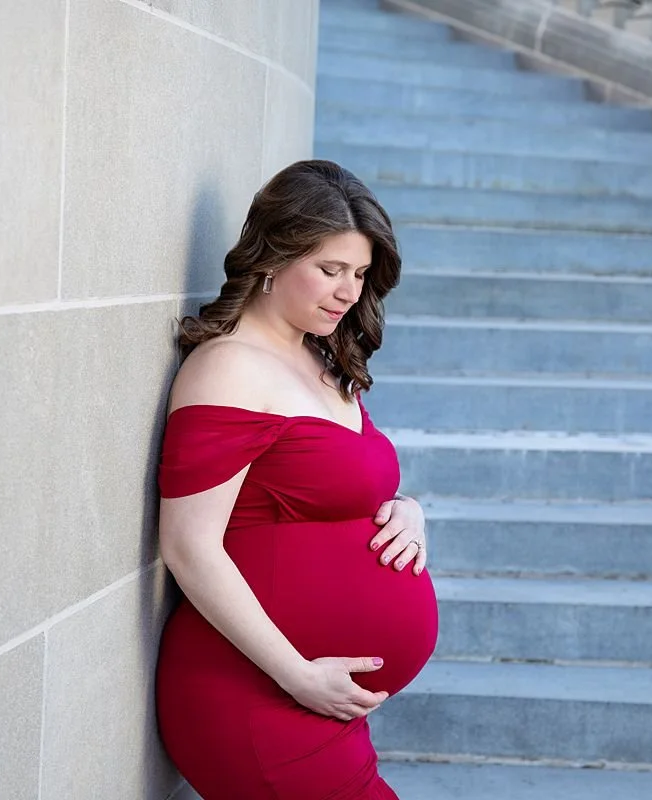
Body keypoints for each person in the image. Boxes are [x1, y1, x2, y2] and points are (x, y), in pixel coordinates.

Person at [155, 160, 439, 799]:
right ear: (273, 257)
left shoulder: (319, 353)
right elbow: (188, 546)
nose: (347, 292)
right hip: (261, 693)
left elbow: (342, 486)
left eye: (360, 274)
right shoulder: (228, 369)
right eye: (330, 270)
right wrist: (297, 676)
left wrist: (406, 509)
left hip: (319, 700)